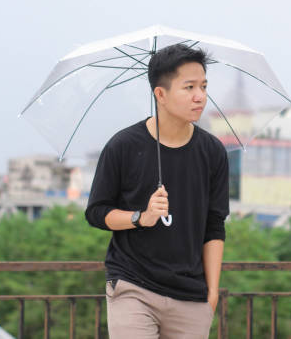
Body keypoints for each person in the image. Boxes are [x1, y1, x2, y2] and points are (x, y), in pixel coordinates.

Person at [85, 43, 230, 338]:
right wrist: (142, 217)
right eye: (189, 87)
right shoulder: (123, 146)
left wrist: (212, 294)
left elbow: (214, 227)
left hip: (191, 296)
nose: (200, 96)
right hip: (133, 286)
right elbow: (97, 213)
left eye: (203, 86)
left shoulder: (213, 151)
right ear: (160, 95)